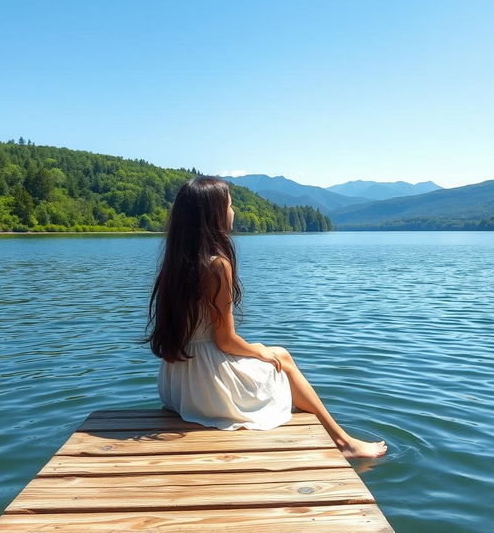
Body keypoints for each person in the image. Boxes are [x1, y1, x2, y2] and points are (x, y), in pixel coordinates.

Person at [143, 175, 387, 459]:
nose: (234, 211)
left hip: (177, 385)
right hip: (207, 386)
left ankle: (337, 436)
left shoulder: (175, 265)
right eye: (230, 204)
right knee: (281, 356)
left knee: (274, 358)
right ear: (214, 213)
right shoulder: (216, 265)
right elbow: (225, 341)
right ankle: (343, 441)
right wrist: (258, 350)